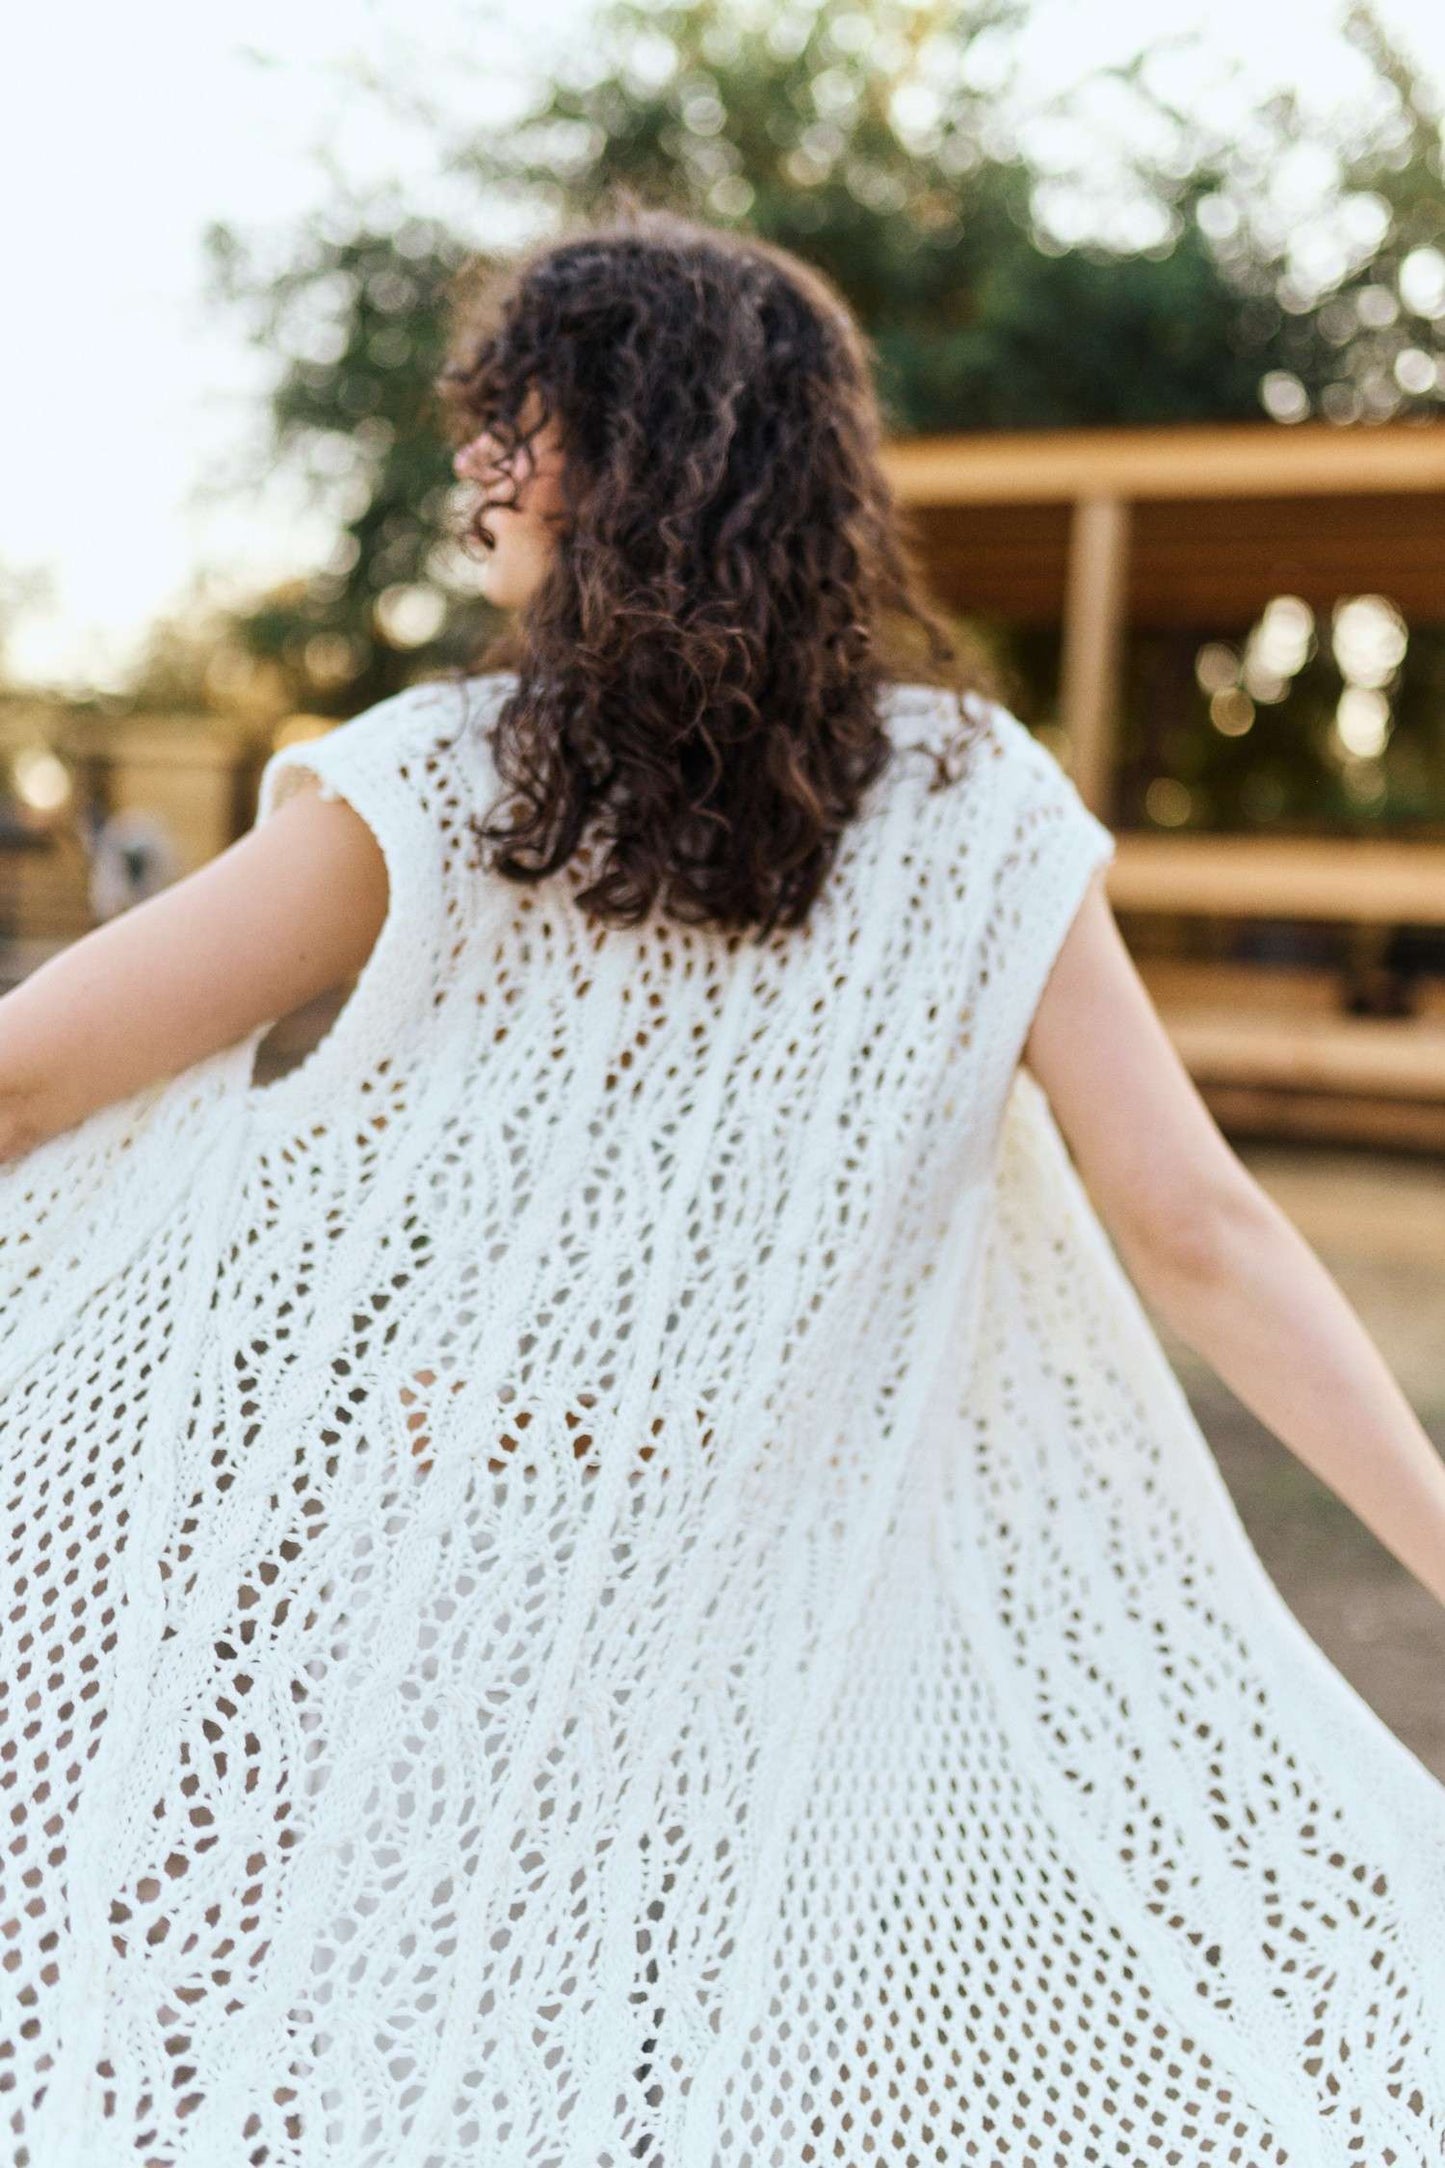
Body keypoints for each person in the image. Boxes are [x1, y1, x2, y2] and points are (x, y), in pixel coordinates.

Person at [2, 205, 1443, 2168]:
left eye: (508, 422)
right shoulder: (970, 806)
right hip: (784, 1670)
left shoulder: (446, 787)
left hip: (430, 1608)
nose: (471, 470)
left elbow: (29, 1070)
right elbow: (1197, 1221)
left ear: (612, 448)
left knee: (354, 2082)